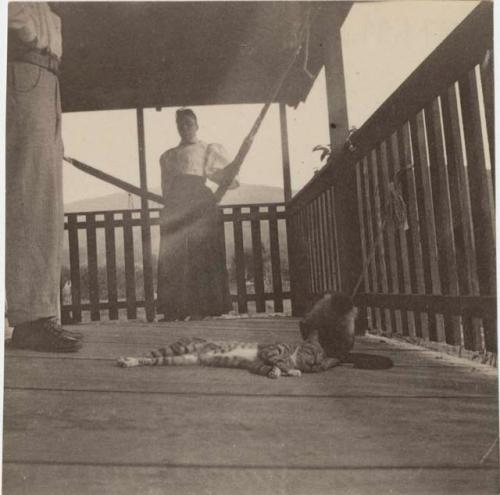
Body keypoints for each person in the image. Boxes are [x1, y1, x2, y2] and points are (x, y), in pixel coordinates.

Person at [6, 3, 82, 351]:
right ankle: (31, 318)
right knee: (31, 196)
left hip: (45, 78)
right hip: (25, 68)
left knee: (43, 198)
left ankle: (37, 314)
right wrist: (29, 35)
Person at [157, 108, 238, 321]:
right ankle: (175, 308)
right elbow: (166, 186)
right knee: (175, 253)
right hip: (177, 203)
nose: (185, 128)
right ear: (177, 128)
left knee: (202, 252)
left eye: (189, 123)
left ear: (197, 125)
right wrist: (170, 206)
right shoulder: (169, 156)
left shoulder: (207, 149)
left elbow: (220, 176)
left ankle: (203, 307)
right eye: (181, 124)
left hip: (201, 202)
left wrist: (230, 172)